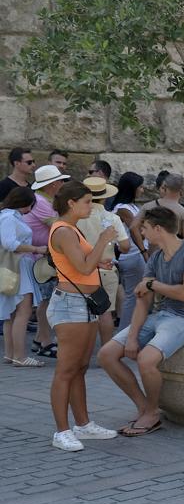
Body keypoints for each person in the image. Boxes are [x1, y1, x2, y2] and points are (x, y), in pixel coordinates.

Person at [98, 206, 184, 438]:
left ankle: (151, 413)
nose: (141, 232)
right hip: (160, 316)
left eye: (145, 228)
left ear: (159, 229)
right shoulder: (156, 257)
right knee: (106, 354)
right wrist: (131, 337)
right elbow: (142, 300)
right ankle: (145, 408)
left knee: (146, 359)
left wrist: (153, 285)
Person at [46, 180, 119, 451]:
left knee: (80, 367)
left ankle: (83, 424)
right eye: (87, 201)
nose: (91, 206)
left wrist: (99, 259)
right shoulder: (64, 230)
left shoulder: (70, 229)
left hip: (83, 303)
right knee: (66, 370)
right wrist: (102, 241)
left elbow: (82, 264)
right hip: (71, 304)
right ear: (71, 203)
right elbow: (84, 267)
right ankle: (61, 431)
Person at [78, 177, 130, 347]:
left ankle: (82, 349)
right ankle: (106, 350)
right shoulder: (112, 218)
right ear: (105, 197)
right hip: (106, 268)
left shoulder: (77, 217)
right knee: (106, 312)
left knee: (81, 312)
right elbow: (125, 246)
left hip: (81, 268)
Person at [28, 164, 69, 358]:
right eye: (60, 180)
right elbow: (59, 225)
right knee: (46, 301)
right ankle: (45, 341)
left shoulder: (43, 199)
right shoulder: (41, 202)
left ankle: (39, 339)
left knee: (47, 299)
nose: (62, 183)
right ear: (52, 185)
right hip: (41, 259)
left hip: (42, 257)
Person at [1, 187, 45, 367]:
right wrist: (36, 249)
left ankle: (11, 354)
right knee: (22, 312)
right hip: (18, 266)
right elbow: (10, 243)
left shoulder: (8, 216)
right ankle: (19, 356)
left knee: (12, 313)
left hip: (15, 266)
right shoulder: (9, 217)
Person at [109, 173, 147, 329]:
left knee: (135, 294)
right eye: (140, 187)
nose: (142, 190)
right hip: (132, 255)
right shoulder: (123, 208)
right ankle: (125, 331)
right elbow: (134, 229)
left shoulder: (132, 206)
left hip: (135, 254)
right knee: (133, 295)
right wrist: (144, 251)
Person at [137, 173, 184, 241]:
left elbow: (135, 228)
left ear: (165, 188)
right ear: (181, 191)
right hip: (174, 249)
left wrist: (142, 249)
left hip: (154, 250)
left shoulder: (147, 207)